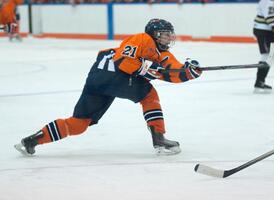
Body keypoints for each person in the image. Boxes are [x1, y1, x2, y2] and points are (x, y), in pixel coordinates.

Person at [15, 18, 202, 156]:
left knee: (79, 123)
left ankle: (31, 141)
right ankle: (159, 140)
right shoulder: (143, 39)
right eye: (165, 33)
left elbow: (173, 72)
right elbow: (123, 61)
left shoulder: (163, 54)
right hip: (113, 75)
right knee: (149, 95)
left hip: (97, 79)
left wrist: (189, 72)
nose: (169, 37)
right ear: (154, 34)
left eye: (170, 34)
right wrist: (148, 68)